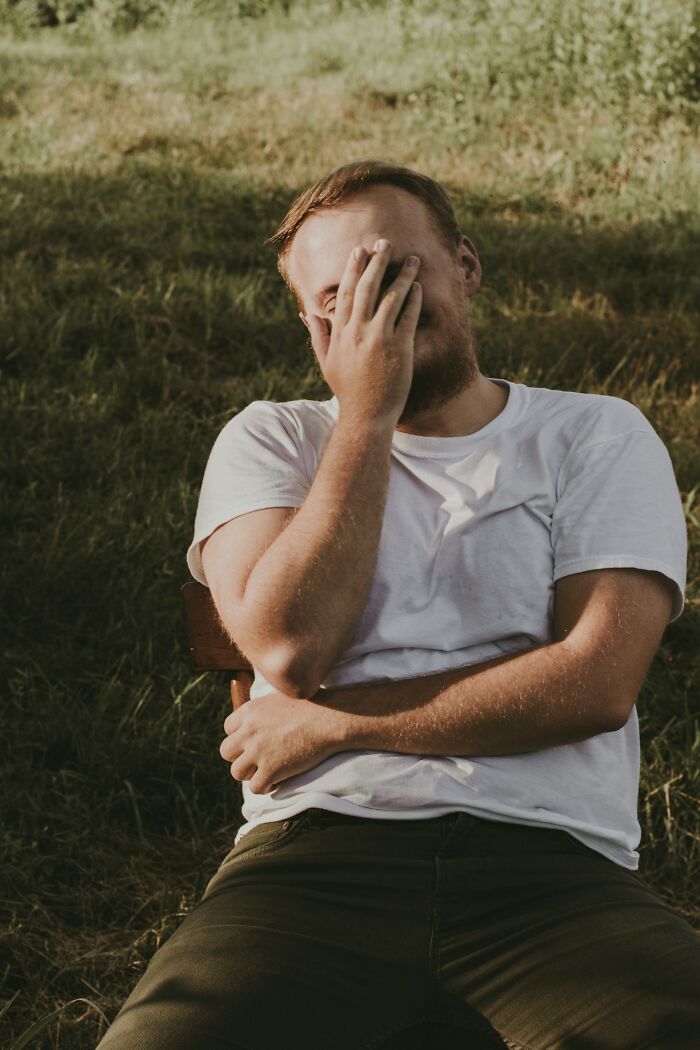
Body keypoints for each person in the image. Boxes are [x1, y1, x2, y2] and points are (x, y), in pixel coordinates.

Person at [98, 160, 700, 1049]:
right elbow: (291, 651)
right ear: (312, 322)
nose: (377, 307)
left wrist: (332, 726)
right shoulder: (271, 438)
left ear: (465, 265)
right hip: (311, 860)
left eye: (398, 270)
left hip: (553, 869)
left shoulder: (595, 433)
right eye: (342, 293)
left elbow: (594, 685)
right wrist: (366, 418)